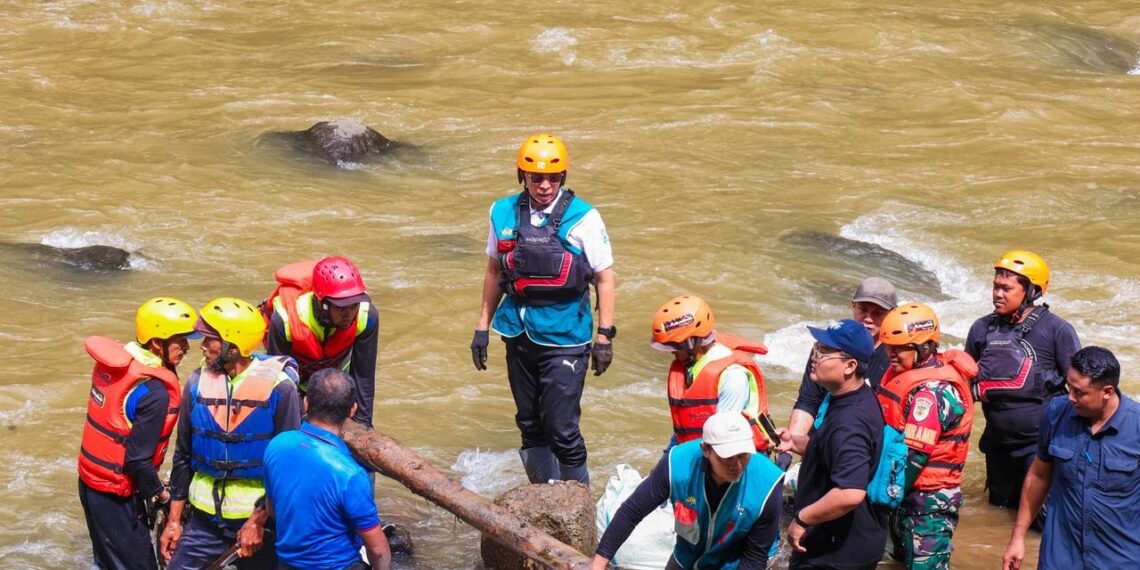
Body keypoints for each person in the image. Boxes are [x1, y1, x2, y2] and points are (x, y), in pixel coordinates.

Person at [469, 133, 616, 486]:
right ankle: (541, 496)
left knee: (562, 429)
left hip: (566, 333)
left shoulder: (585, 219)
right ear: (523, 177)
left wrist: (605, 337)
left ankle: (576, 503)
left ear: (563, 177)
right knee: (530, 423)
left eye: (553, 178)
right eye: (536, 178)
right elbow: (493, 271)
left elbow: (605, 279)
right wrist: (482, 327)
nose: (545, 186)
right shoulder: (501, 211)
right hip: (518, 331)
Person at [161, 297, 301, 569]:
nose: (202, 346)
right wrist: (174, 521)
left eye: (210, 339)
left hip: (259, 522)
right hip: (204, 523)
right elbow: (183, 455)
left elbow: (288, 468)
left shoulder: (280, 390)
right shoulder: (195, 383)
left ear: (233, 347)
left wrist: (258, 520)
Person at [78, 298, 199, 570]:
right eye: (180, 340)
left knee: (108, 562)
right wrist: (164, 496)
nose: (187, 347)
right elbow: (137, 461)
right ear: (157, 343)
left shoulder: (121, 365)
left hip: (90, 484)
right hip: (114, 497)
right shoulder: (155, 392)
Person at [1002, 346, 1140, 570]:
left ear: (1107, 391)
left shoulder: (1136, 427)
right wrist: (1017, 538)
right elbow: (1039, 475)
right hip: (1061, 558)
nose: (1071, 398)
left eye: (1080, 392)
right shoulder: (1056, 413)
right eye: (1069, 388)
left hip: (1120, 560)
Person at [964, 250, 1080, 515]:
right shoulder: (981, 329)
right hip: (998, 445)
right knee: (998, 514)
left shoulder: (1057, 331)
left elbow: (1079, 387)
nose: (997, 294)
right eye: (995, 286)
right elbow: (964, 384)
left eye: (1006, 288)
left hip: (1040, 445)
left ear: (1031, 291)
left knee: (1041, 521)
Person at [590, 412, 784, 570]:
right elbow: (632, 512)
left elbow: (755, 557)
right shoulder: (677, 464)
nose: (737, 465)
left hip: (734, 562)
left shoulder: (767, 483)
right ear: (706, 450)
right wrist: (598, 564)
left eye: (743, 455)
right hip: (686, 555)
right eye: (727, 458)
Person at [781, 319, 887, 570]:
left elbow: (850, 492)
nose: (814, 356)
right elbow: (835, 453)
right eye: (816, 347)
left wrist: (802, 519)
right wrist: (796, 442)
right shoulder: (854, 397)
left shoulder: (849, 422)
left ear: (850, 366)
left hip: (835, 555)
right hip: (847, 543)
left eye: (824, 351)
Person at [877, 303, 977, 570]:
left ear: (924, 347)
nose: (890, 354)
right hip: (905, 500)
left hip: (927, 506)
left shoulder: (931, 394)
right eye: (888, 346)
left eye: (898, 348)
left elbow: (915, 456)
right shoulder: (907, 376)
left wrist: (885, 495)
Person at [263, 369, 391, 570]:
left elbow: (272, 509)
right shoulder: (351, 473)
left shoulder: (276, 445)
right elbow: (378, 549)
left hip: (286, 563)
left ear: (306, 403)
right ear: (352, 410)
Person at [266, 256, 379, 428]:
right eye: (341, 308)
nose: (349, 314)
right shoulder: (284, 320)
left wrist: (364, 427)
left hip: (336, 375)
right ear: (323, 304)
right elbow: (281, 383)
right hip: (298, 374)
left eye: (353, 306)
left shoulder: (367, 316)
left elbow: (364, 376)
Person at [649, 294, 771, 451]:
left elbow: (724, 442)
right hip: (702, 450)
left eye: (674, 346)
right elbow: (683, 431)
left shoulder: (732, 377)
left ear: (692, 342)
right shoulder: (693, 365)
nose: (670, 352)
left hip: (732, 457)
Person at [784, 277, 896, 446]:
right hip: (819, 442)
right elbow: (808, 401)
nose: (868, 319)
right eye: (862, 310)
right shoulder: (827, 347)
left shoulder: (894, 358)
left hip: (858, 442)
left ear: (892, 314)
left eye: (878, 313)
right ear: (853, 306)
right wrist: (790, 443)